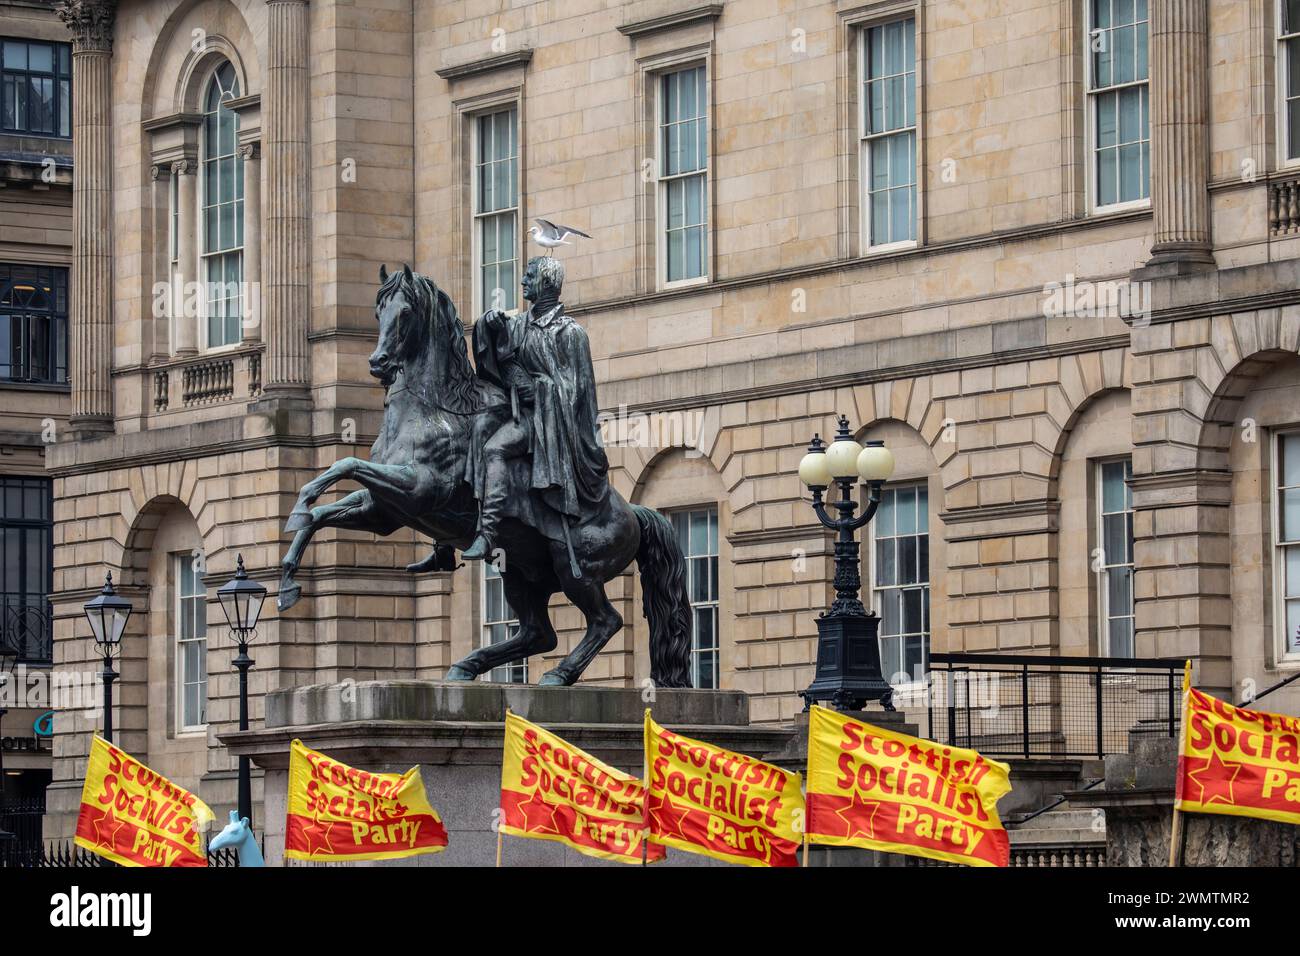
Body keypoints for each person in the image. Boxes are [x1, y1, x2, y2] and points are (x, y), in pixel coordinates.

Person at [462, 256, 609, 570]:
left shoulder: (570, 333)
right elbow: (498, 362)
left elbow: (578, 393)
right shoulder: (519, 325)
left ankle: (487, 532)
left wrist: (540, 390)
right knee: (475, 428)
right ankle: (448, 536)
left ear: (545, 283)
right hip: (519, 413)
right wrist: (488, 326)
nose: (522, 282)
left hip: (548, 425)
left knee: (494, 449)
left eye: (529, 276)